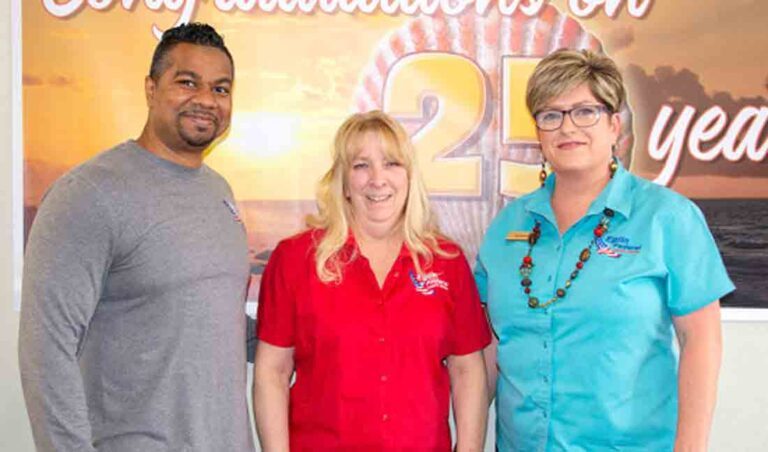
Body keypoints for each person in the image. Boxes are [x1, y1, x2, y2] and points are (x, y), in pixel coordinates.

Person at [475, 49, 734, 451]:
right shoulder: (507, 227)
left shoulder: (667, 218)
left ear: (615, 125)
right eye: (550, 115)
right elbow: (490, 350)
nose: (567, 127)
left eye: (584, 111)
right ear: (538, 134)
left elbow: (701, 340)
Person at [19, 23, 254, 451]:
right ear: (150, 89)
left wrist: (309, 337)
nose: (206, 99)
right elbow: (46, 351)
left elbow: (213, 317)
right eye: (187, 82)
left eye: (221, 89)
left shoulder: (218, 191)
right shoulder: (90, 193)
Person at [252, 110, 492, 451]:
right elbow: (272, 371)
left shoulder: (446, 262)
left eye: (392, 163)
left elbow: (467, 370)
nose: (377, 179)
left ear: (410, 176)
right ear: (343, 182)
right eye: (361, 165)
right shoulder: (294, 259)